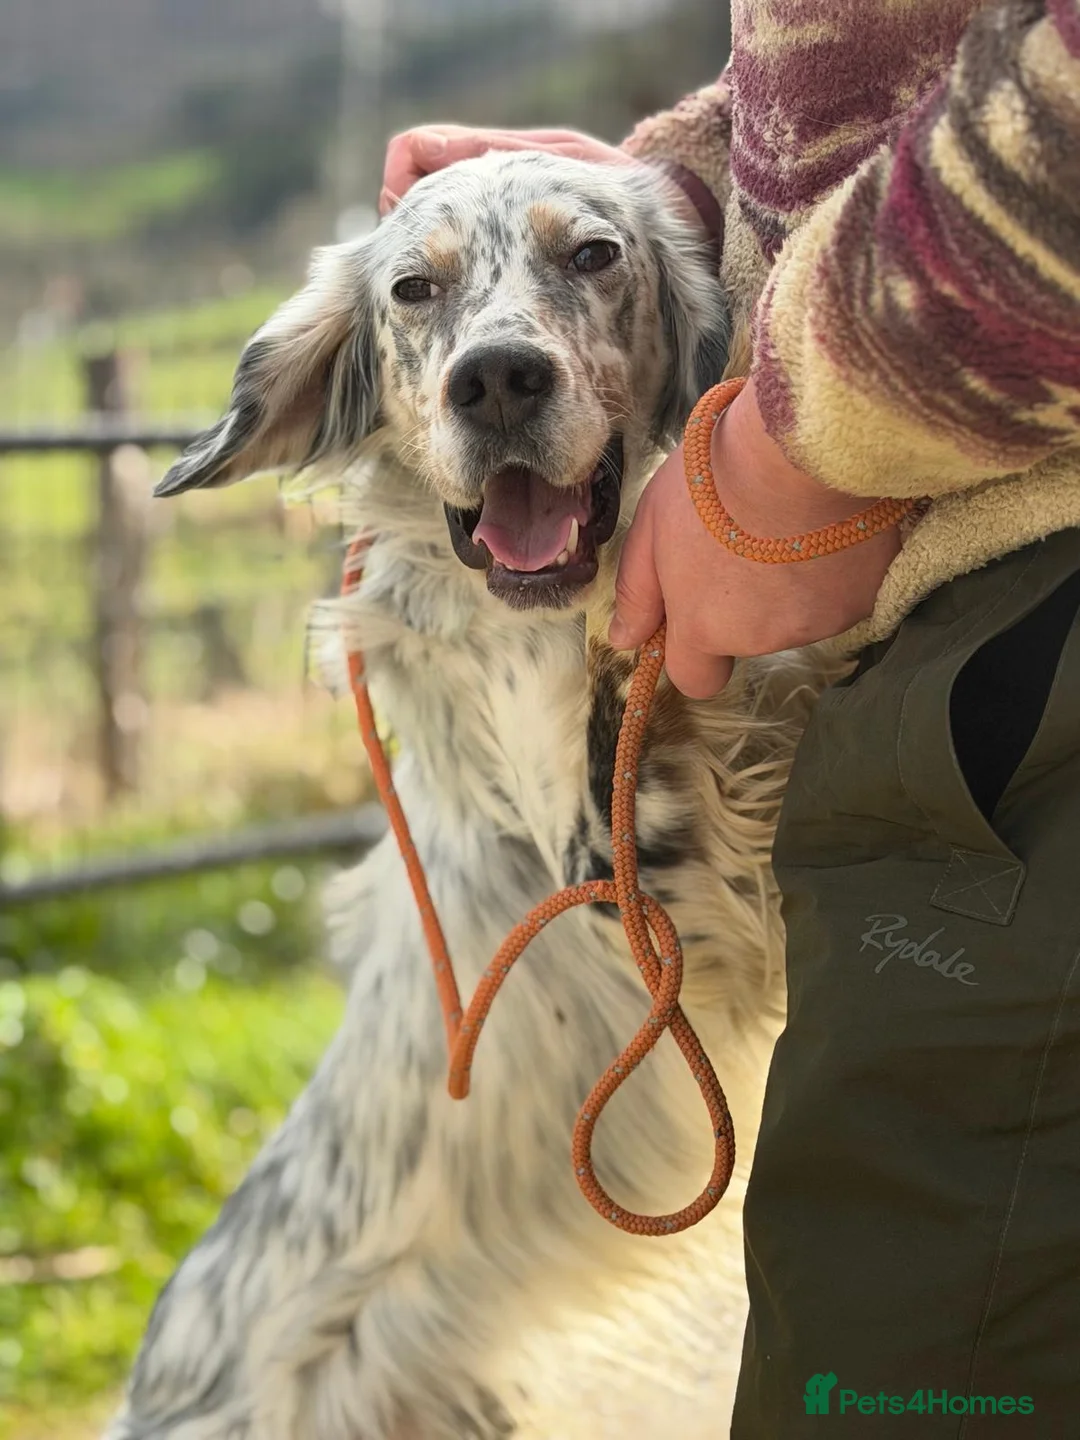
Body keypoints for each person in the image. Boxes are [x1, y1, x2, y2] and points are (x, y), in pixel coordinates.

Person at [382, 2, 1080, 1432]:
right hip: (973, 599)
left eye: (586, 272)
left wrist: (787, 457)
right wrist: (674, 197)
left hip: (1026, 602)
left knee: (886, 1376)